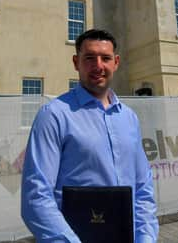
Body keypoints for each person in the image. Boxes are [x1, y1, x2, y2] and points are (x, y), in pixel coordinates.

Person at [21, 29, 158, 243]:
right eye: (89, 58)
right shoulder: (54, 116)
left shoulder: (129, 118)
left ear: (116, 62)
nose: (98, 66)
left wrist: (146, 238)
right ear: (76, 62)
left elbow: (142, 187)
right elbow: (36, 197)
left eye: (105, 58)